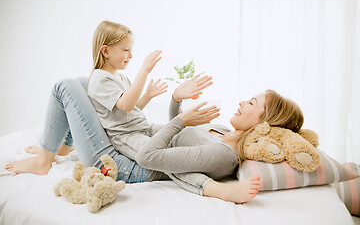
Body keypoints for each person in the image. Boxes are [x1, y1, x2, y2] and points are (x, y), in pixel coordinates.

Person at [4, 20, 304, 204]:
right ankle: (63, 146)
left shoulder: (226, 155)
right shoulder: (223, 133)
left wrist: (217, 189)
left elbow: (155, 157)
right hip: (130, 143)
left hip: (122, 161)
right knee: (85, 84)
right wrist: (176, 100)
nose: (242, 103)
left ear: (264, 123)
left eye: (252, 104)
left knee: (65, 86)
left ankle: (44, 160)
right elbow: (170, 135)